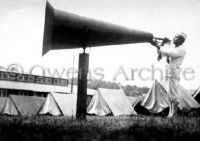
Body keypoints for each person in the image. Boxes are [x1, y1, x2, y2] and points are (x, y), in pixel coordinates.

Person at [151, 32, 187, 117]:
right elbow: (162, 53)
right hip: (169, 72)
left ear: (181, 40)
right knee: (169, 94)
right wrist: (162, 44)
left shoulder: (181, 49)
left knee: (173, 94)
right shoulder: (174, 47)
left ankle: (173, 114)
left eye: (176, 37)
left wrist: (159, 45)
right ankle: (170, 114)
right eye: (174, 37)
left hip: (174, 72)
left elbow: (170, 53)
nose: (173, 39)